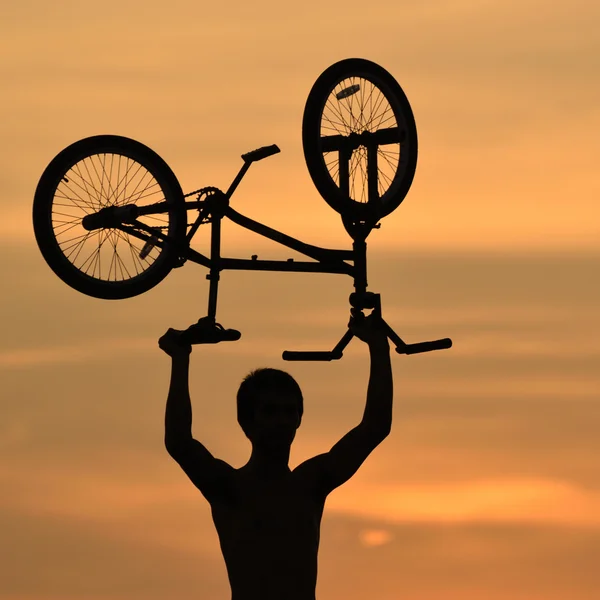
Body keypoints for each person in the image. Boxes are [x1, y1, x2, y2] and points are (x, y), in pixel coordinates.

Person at [158, 309, 393, 600]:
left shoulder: (310, 483)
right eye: (270, 411)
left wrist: (378, 346)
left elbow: (375, 427)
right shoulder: (229, 487)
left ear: (299, 419)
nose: (281, 420)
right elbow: (179, 441)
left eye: (288, 411)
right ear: (246, 421)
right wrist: (180, 359)